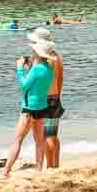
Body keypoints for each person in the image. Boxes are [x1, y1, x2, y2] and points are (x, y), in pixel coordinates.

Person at [2, 47, 53, 177]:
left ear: (37, 53)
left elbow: (24, 85)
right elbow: (37, 85)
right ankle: (39, 169)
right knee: (39, 141)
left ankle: (6, 171)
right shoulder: (49, 68)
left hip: (29, 109)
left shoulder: (36, 69)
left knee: (18, 140)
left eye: (34, 51)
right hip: (42, 107)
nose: (32, 53)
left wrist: (19, 69)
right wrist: (30, 68)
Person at [31, 30, 64, 170]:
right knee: (53, 135)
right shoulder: (56, 56)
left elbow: (35, 80)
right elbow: (60, 79)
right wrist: (57, 95)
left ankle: (50, 166)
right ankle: (55, 165)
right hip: (55, 97)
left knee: (46, 136)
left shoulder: (42, 58)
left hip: (44, 99)